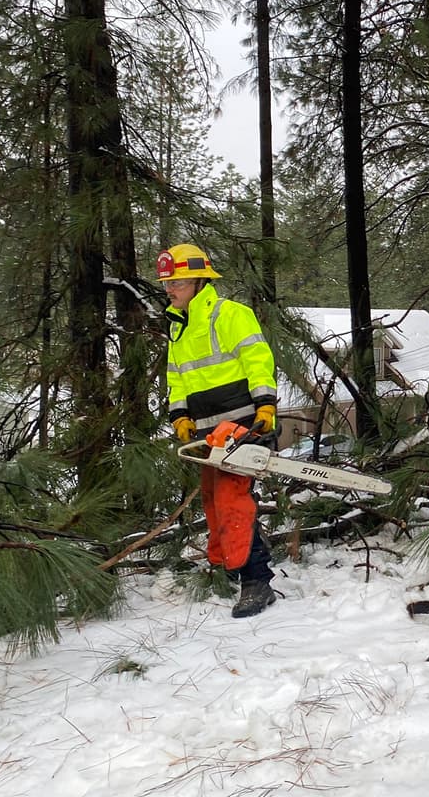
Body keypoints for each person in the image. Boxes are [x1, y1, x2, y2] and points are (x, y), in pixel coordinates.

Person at [159, 243, 280, 618]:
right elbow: (176, 379)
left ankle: (257, 580)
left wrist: (265, 407)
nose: (170, 290)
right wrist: (179, 416)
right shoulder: (178, 328)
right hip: (205, 434)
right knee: (214, 503)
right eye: (167, 283)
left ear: (198, 280)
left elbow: (258, 361)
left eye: (176, 282)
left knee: (232, 503)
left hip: (241, 424)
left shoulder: (231, 315)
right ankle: (232, 564)